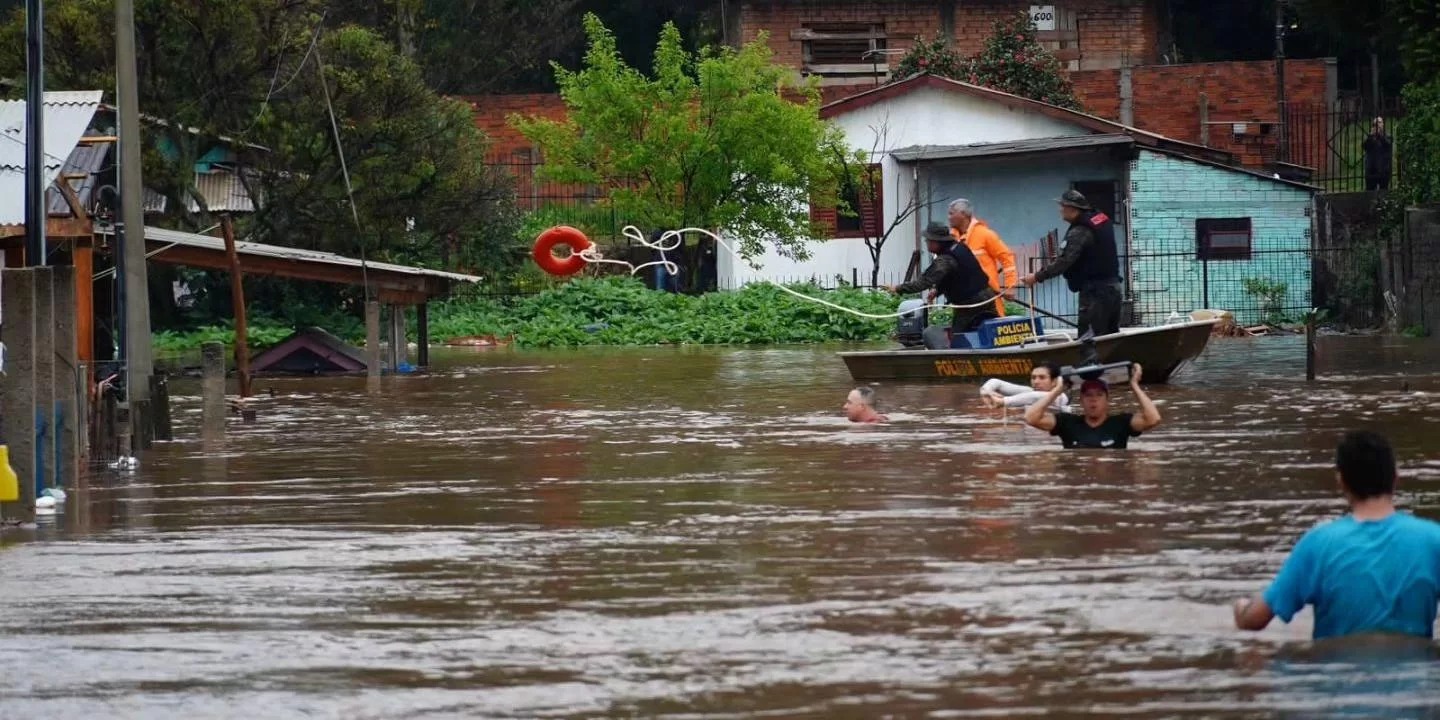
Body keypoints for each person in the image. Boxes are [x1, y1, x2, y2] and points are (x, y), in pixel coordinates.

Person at [1232, 431, 1440, 640]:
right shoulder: (1433, 540)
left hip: (1335, 669)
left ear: (1341, 481)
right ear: (1395, 478)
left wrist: (1240, 608)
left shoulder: (1318, 543)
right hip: (1416, 667)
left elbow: (1254, 621)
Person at [1020, 190, 1123, 338]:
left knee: (1090, 341)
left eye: (1062, 206)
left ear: (1072, 209)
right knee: (1110, 339)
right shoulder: (1099, 220)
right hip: (1113, 289)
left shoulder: (1080, 230)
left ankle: (1091, 362)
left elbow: (1065, 261)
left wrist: (1036, 277)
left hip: (1096, 293)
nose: (1060, 209)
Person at [885, 221, 998, 350]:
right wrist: (937, 290)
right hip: (987, 296)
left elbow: (924, 281)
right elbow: (959, 275)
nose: (926, 243)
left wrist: (898, 288)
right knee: (994, 331)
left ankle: (954, 363)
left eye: (928, 240)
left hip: (970, 303)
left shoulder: (944, 260)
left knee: (957, 337)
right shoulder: (960, 247)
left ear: (936, 242)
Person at [1022, 363, 1160, 449]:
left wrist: (1134, 385)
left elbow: (1153, 419)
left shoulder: (1121, 423)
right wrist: (1058, 390)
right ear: (1081, 400)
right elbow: (1031, 418)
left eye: (1099, 395)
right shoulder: (1067, 423)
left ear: (1107, 400)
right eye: (1088, 395)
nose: (1093, 400)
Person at [948, 198, 1018, 318]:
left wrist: (1010, 287)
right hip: (963, 301)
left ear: (963, 214)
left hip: (988, 297)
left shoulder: (985, 235)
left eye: (951, 213)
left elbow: (1007, 257)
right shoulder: (951, 239)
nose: (948, 217)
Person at [980, 361, 1068, 412]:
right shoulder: (1029, 392)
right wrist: (987, 391)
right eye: (1033, 378)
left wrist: (1003, 401)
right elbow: (996, 382)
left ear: (1054, 381)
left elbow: (1034, 397)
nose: (1036, 382)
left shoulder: (1060, 397)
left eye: (1042, 377)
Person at [1362, 117, 1393, 192]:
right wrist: (1371, 136)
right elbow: (1365, 146)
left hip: (1384, 169)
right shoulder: (1370, 137)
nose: (1377, 126)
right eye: (1375, 124)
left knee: (1384, 192)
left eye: (1379, 123)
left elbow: (1387, 144)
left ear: (1383, 124)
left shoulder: (1387, 136)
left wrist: (1380, 135)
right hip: (1371, 170)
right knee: (1369, 192)